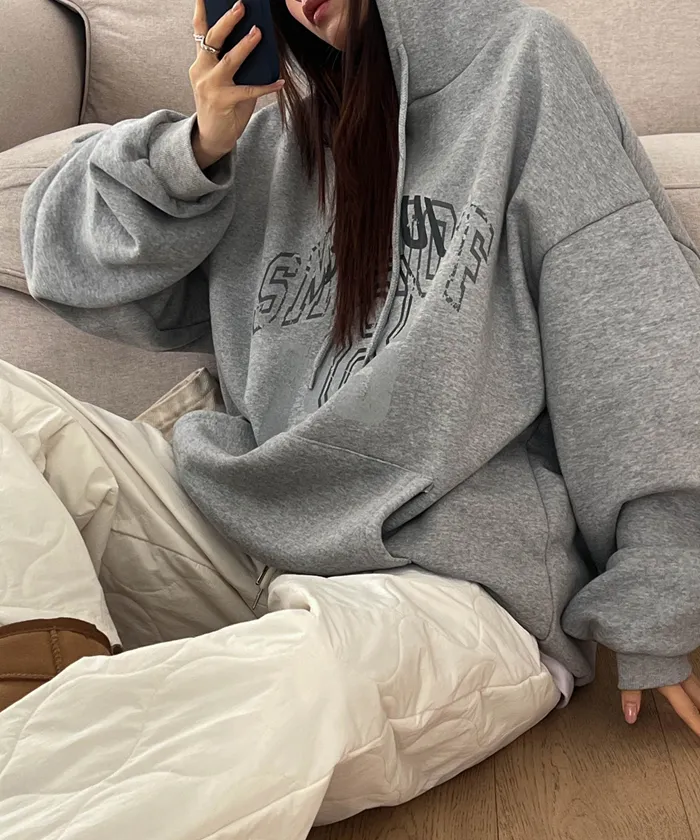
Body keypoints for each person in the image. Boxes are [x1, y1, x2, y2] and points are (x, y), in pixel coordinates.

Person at [1, 0, 699, 832]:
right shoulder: (264, 129)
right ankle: (28, 688)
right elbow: (67, 267)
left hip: (452, 585)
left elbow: (627, 324)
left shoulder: (522, 64)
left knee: (300, 690)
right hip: (244, 531)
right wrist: (197, 147)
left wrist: (658, 591)